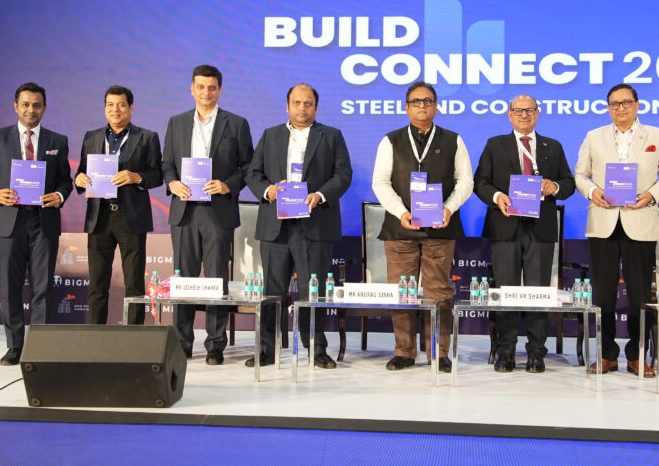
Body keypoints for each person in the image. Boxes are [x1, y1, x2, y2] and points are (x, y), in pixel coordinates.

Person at [574, 83, 659, 377]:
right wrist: (592, 191)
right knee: (603, 294)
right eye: (614, 104)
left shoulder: (657, 136)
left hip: (640, 221)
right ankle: (606, 355)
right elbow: (580, 175)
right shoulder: (594, 136)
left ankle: (637, 355)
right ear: (608, 107)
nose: (620, 108)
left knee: (639, 295)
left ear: (637, 105)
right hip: (603, 222)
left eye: (626, 103)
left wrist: (652, 195)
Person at [245, 83, 352, 369]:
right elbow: (253, 173)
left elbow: (343, 174)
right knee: (272, 292)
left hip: (314, 225)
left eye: (308, 103)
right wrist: (268, 190)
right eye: (296, 103)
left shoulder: (331, 136)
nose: (302, 108)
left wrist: (320, 195)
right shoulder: (270, 135)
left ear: (316, 107)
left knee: (312, 292)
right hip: (275, 226)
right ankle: (267, 349)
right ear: (287, 106)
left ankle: (316, 349)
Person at [371, 81, 473, 373]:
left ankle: (438, 353)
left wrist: (448, 208)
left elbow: (465, 181)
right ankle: (404, 352)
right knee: (402, 292)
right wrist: (401, 212)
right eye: (416, 102)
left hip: (440, 227)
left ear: (436, 106)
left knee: (438, 292)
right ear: (406, 107)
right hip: (400, 228)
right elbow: (380, 182)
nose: (422, 106)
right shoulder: (390, 140)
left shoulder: (453, 140)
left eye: (428, 101)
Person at [473, 94, 575, 373]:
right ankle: (505, 352)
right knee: (506, 292)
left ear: (537, 114)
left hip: (541, 228)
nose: (524, 115)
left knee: (537, 293)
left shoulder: (552, 146)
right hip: (505, 226)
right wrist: (497, 197)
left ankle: (536, 352)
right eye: (518, 110)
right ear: (510, 115)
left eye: (529, 110)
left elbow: (568, 183)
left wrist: (555, 186)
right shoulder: (495, 144)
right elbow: (480, 182)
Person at [0, 82, 72, 365]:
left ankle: (40, 347)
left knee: (43, 288)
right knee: (9, 287)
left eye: (37, 105)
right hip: (8, 221)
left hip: (43, 222)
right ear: (15, 106)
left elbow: (65, 180)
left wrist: (59, 195)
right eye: (26, 104)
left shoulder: (57, 141)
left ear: (44, 108)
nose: (31, 110)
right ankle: (14, 346)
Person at [162, 64, 253, 364]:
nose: (206, 92)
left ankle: (215, 344)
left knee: (216, 280)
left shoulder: (236, 124)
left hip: (218, 211)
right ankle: (182, 342)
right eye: (200, 87)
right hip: (185, 211)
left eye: (212, 87)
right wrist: (172, 182)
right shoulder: (176, 123)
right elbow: (166, 164)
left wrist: (228, 185)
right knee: (184, 279)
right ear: (192, 89)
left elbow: (248, 167)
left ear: (220, 90)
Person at [74, 86, 163, 326]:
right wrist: (78, 180)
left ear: (131, 108)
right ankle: (95, 335)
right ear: (105, 108)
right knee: (97, 284)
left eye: (121, 105)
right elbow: (81, 172)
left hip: (130, 217)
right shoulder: (91, 137)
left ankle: (133, 335)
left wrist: (137, 177)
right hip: (99, 217)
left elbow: (157, 175)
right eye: (110, 105)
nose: (115, 110)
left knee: (134, 283)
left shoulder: (147, 137)